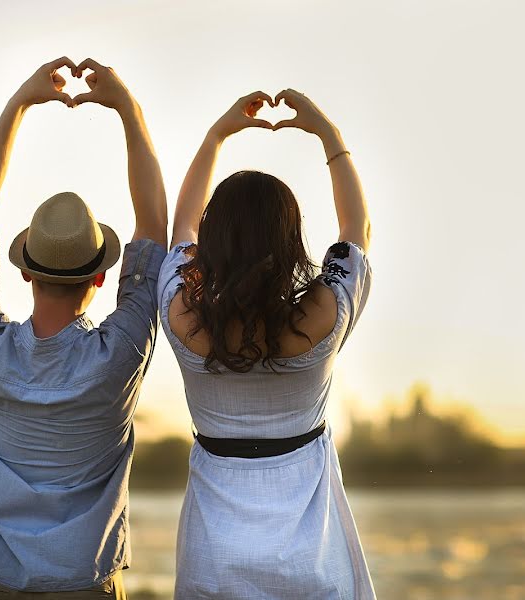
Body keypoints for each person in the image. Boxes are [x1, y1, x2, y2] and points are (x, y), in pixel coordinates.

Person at [0, 56, 167, 599]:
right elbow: (155, 229)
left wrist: (19, 103)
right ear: (101, 276)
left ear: (23, 270)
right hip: (86, 587)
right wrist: (128, 111)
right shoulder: (119, 357)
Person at [158, 89, 376, 599]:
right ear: (291, 239)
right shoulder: (324, 311)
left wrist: (216, 137)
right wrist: (328, 134)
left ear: (214, 240)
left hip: (213, 561)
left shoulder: (181, 311)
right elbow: (356, 230)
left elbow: (181, 229)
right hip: (312, 564)